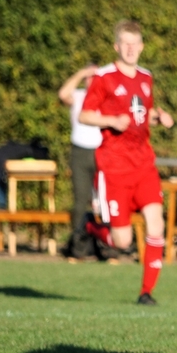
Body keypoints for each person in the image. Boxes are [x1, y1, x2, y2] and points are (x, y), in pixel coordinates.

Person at [79, 20, 173, 305]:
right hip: (114, 166)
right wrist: (110, 120)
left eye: (135, 44)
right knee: (123, 242)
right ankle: (92, 227)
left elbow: (143, 113)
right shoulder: (104, 77)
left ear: (141, 47)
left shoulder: (146, 77)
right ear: (116, 46)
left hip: (144, 164)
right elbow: (84, 115)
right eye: (125, 44)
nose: (131, 49)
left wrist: (159, 117)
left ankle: (146, 293)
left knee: (156, 226)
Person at [58, 65, 103, 259]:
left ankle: (107, 248)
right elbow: (63, 94)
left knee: (105, 203)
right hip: (80, 152)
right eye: (89, 77)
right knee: (80, 203)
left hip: (103, 151)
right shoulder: (78, 96)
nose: (91, 80)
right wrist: (81, 73)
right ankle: (78, 250)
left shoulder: (106, 97)